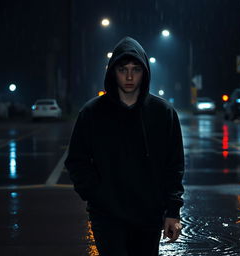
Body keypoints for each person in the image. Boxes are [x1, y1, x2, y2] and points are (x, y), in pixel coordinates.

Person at [65, 36, 185, 256]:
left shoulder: (163, 114)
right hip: (107, 216)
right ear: (113, 72)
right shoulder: (93, 113)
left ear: (145, 72)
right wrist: (96, 194)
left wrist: (172, 211)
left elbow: (174, 165)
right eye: (123, 69)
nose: (129, 76)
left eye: (136, 69)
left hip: (148, 216)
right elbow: (76, 160)